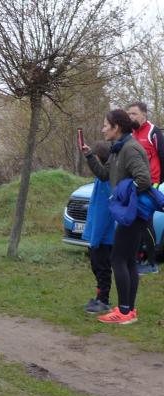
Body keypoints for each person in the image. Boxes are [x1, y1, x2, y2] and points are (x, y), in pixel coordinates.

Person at [82, 109, 152, 324]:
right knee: (128, 260)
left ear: (117, 127)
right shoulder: (117, 149)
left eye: (106, 125)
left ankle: (123, 312)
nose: (103, 129)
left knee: (118, 259)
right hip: (127, 213)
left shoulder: (130, 149)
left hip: (133, 213)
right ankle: (128, 310)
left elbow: (144, 179)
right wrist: (90, 156)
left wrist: (123, 196)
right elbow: (105, 175)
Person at [128, 102, 164, 274]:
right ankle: (138, 258)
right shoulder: (131, 133)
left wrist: (159, 181)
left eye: (134, 114)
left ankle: (151, 263)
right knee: (136, 222)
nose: (131, 117)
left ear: (144, 114)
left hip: (151, 183)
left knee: (145, 221)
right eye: (129, 114)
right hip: (134, 183)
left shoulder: (153, 132)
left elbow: (163, 156)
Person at [81, 142, 114, 314]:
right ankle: (99, 297)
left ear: (99, 159)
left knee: (102, 268)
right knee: (97, 267)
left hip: (103, 237)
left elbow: (103, 213)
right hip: (97, 235)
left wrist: (95, 238)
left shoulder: (106, 182)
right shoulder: (100, 180)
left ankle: (103, 301)